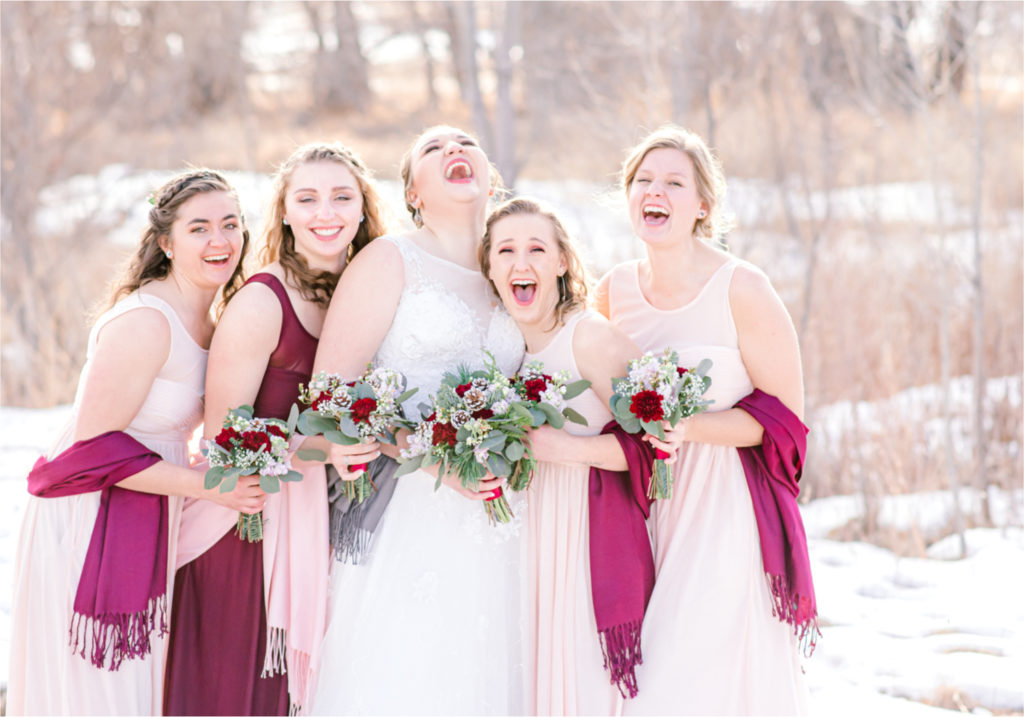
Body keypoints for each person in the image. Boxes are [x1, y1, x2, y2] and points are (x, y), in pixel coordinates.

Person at [8, 169, 262, 715]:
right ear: (167, 243)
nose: (219, 241)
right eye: (199, 228)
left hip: (151, 500)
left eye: (230, 224)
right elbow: (94, 447)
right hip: (90, 511)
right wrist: (211, 487)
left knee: (135, 684)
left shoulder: (214, 319)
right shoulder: (148, 321)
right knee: (97, 689)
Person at [163, 143, 388, 716]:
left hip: (326, 517)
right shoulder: (262, 302)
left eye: (341, 197)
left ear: (364, 208)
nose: (326, 213)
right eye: (307, 198)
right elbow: (224, 440)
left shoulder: (373, 292)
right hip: (246, 524)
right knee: (239, 689)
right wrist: (324, 448)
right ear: (284, 212)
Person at [597, 125, 815, 715]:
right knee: (645, 675)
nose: (655, 191)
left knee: (687, 673)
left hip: (722, 508)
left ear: (702, 206)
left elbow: (786, 422)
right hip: (642, 507)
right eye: (643, 180)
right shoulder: (612, 291)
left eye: (673, 181)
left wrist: (688, 428)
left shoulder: (742, 288)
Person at [308, 126, 525, 715]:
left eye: (466, 141)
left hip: (506, 513)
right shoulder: (391, 260)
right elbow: (331, 395)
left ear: (490, 175)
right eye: (433, 149)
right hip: (407, 506)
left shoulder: (515, 265)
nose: (454, 150)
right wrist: (431, 454)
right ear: (413, 194)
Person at [481, 197, 654, 714]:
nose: (521, 262)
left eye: (537, 248)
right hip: (528, 542)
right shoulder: (507, 350)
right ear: (489, 268)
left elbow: (662, 450)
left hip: (585, 538)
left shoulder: (591, 338)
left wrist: (568, 448)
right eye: (505, 250)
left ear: (562, 261)